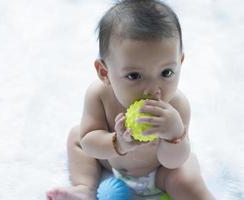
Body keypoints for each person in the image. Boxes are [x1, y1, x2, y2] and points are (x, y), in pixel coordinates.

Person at [46, 0, 215, 199]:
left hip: (160, 172)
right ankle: (84, 188)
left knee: (185, 176)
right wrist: (117, 143)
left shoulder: (177, 106)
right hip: (111, 161)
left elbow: (173, 162)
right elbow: (90, 141)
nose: (153, 90)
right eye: (134, 76)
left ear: (180, 62)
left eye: (166, 72)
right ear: (104, 72)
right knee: (77, 138)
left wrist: (174, 135)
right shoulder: (99, 95)